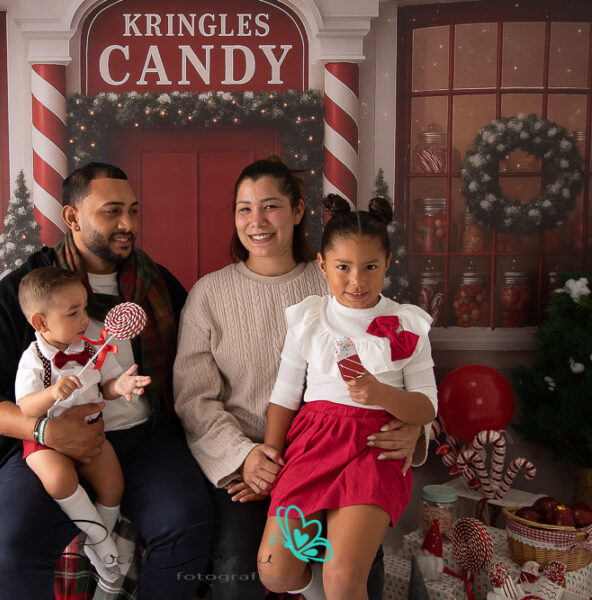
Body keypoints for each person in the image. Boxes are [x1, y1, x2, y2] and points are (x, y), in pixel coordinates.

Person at [0, 162, 214, 600]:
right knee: (9, 555)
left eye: (133, 211)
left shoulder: (159, 286)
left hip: (144, 437)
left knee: (187, 526)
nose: (127, 224)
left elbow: (195, 368)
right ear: (72, 217)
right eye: (112, 211)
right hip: (47, 441)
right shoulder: (25, 293)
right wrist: (43, 430)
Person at [173, 157, 427, 600]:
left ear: (296, 212)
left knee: (352, 571)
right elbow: (194, 400)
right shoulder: (209, 295)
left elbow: (400, 364)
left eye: (270, 206)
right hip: (249, 463)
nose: (257, 221)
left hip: (347, 451)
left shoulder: (341, 276)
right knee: (242, 571)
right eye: (244, 209)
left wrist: (415, 429)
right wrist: (245, 458)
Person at [256, 194, 438, 600]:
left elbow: (426, 406)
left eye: (370, 267)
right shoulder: (308, 319)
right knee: (274, 571)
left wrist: (382, 393)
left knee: (343, 578)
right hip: (314, 444)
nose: (357, 281)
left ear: (387, 263)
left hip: (375, 449)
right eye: (343, 267)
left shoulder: (406, 324)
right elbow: (285, 395)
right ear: (322, 265)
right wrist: (271, 457)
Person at [14, 266, 152, 582]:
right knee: (58, 479)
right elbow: (26, 407)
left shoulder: (91, 349)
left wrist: (121, 386)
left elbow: (107, 385)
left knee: (113, 485)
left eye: (85, 309)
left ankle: (96, 539)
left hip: (92, 433)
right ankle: (102, 538)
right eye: (73, 313)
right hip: (48, 442)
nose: (84, 320)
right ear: (40, 322)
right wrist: (51, 393)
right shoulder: (34, 359)